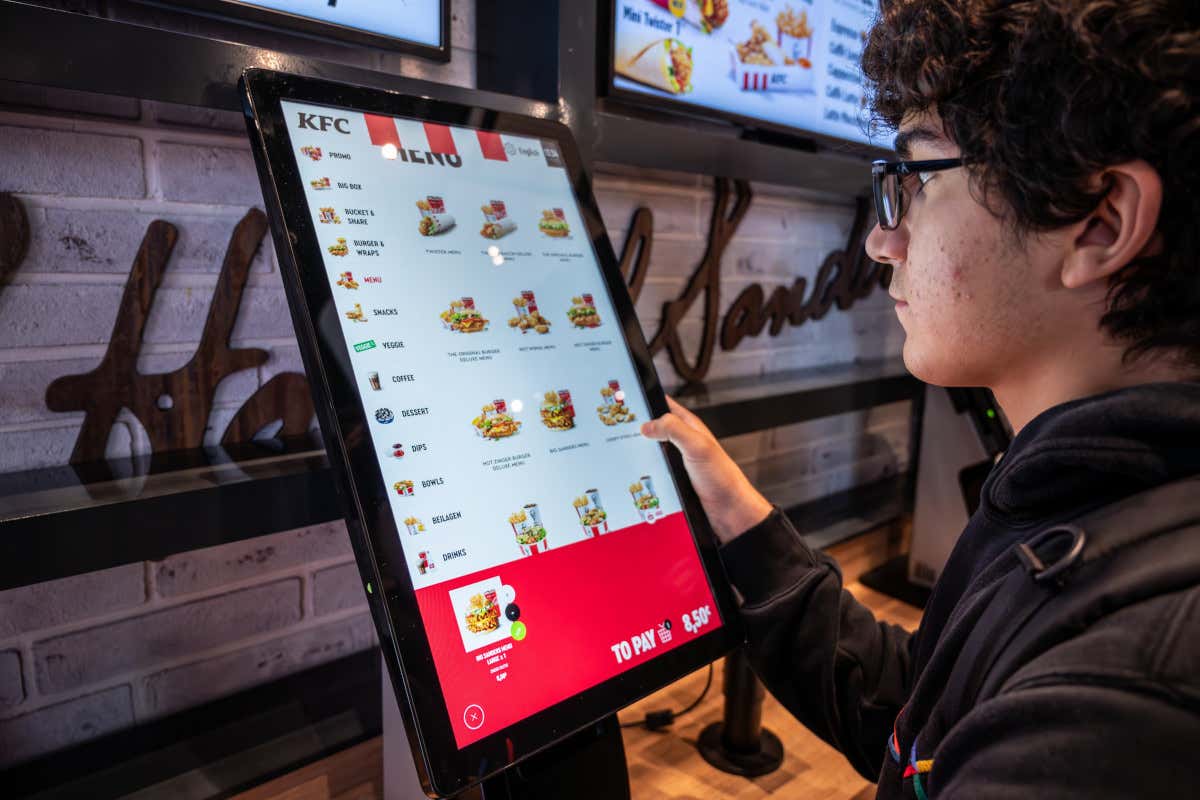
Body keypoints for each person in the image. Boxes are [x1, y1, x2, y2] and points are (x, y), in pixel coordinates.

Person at [641, 1, 1200, 797]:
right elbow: (925, 723)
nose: (881, 240)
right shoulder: (1084, 493)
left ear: (1100, 223)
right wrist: (739, 519)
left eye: (915, 179)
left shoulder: (1120, 712)